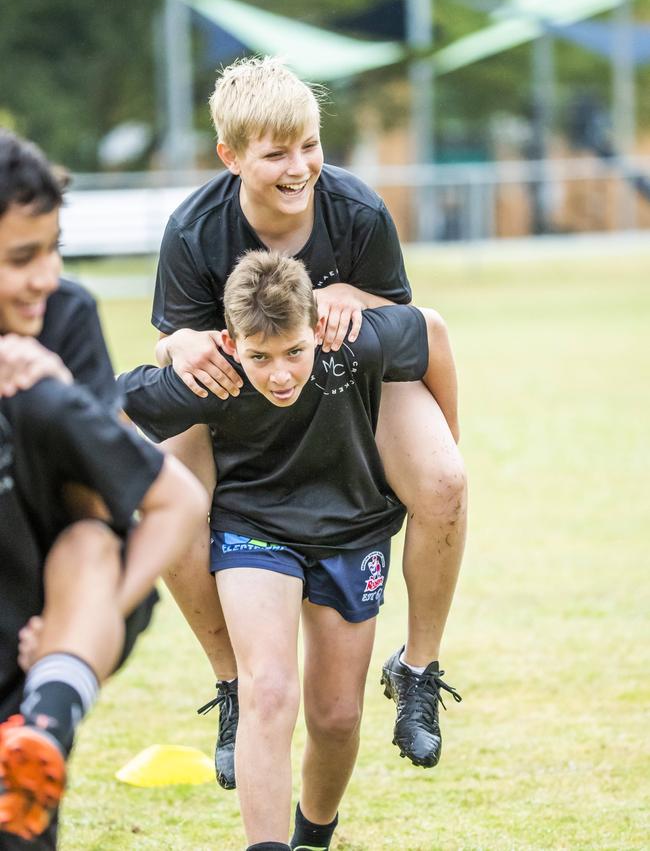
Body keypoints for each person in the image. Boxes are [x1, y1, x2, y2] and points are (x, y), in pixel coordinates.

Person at [151, 56, 467, 786]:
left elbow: (406, 328)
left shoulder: (356, 210)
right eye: (276, 153)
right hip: (242, 400)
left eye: (310, 145)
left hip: (352, 379)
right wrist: (179, 342)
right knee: (164, 497)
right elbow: (175, 344)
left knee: (447, 481)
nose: (300, 168)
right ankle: (233, 682)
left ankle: (417, 668)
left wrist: (357, 296)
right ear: (230, 156)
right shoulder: (194, 232)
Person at [120, 249, 462, 851]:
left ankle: (314, 836)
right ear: (231, 342)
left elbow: (432, 332)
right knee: (269, 690)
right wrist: (171, 350)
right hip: (254, 529)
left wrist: (447, 439)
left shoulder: (357, 343)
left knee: (336, 718)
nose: (279, 374)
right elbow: (107, 404)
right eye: (259, 357)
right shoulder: (214, 373)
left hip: (352, 529)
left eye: (294, 353)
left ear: (317, 330)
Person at [0, 129, 208, 847]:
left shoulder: (65, 320)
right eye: (22, 258)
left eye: (54, 248)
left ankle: (50, 714)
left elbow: (106, 502)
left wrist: (77, 631)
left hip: (45, 612)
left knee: (91, 533)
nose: (47, 276)